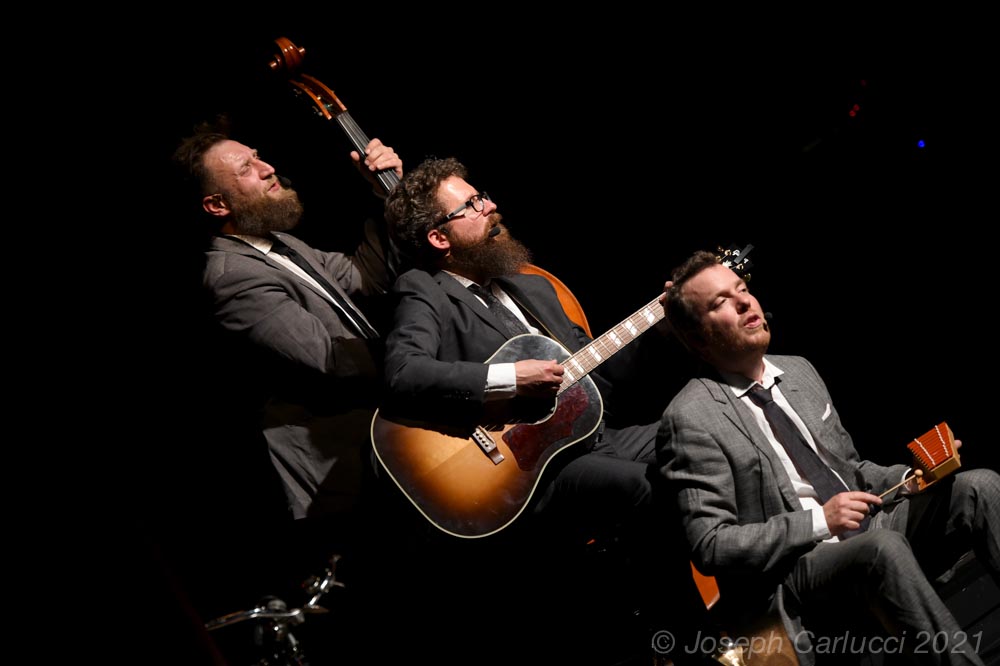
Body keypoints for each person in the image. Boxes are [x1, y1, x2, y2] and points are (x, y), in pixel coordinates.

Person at [375, 156, 710, 665]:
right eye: (472, 205)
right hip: (529, 469)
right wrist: (511, 378)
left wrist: (662, 323)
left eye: (482, 195)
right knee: (645, 488)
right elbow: (403, 373)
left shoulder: (532, 285)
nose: (490, 206)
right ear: (439, 237)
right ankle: (691, 642)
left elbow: (603, 376)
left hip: (593, 437)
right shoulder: (424, 290)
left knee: (708, 426)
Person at [656, 249, 1000, 666]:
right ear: (697, 338)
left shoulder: (799, 372)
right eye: (721, 302)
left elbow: (852, 471)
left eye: (742, 289)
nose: (744, 302)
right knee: (881, 548)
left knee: (979, 487)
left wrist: (913, 476)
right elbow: (711, 544)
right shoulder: (690, 416)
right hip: (793, 572)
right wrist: (821, 520)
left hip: (870, 532)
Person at [169, 120, 403, 660]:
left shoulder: (280, 245)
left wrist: (388, 198)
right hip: (344, 469)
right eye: (247, 168)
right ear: (216, 205)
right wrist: (429, 367)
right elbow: (330, 360)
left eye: (259, 155)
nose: (268, 167)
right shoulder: (231, 274)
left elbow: (364, 278)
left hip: (378, 444)